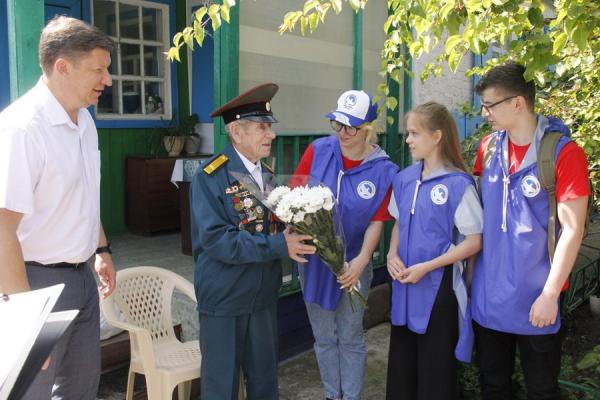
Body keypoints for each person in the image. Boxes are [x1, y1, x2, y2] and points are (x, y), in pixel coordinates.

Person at [0, 16, 116, 399]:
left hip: (82, 278)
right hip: (35, 283)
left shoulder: (85, 122)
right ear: (62, 66)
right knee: (32, 391)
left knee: (80, 387)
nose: (108, 80)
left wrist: (101, 250)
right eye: (98, 70)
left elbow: (82, 196)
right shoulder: (21, 128)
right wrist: (25, 318)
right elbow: (2, 228)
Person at [471, 62, 590, 399]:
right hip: (489, 296)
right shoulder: (488, 148)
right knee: (494, 387)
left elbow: (573, 229)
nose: (485, 113)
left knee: (541, 390)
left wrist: (550, 295)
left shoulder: (563, 154)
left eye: (490, 105)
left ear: (518, 103)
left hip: (537, 297)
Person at [190, 83, 316, 400]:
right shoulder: (210, 177)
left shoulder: (267, 174)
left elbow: (271, 225)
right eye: (262, 128)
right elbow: (218, 241)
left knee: (264, 384)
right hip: (225, 299)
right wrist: (278, 246)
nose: (271, 135)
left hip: (261, 299)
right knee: (221, 387)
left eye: (269, 127)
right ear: (236, 132)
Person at [293, 89, 399, 400]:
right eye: (338, 124)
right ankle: (331, 394)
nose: (343, 133)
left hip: (354, 263)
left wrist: (362, 261)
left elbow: (377, 221)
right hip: (314, 261)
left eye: (351, 127)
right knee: (324, 336)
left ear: (368, 128)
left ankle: (350, 396)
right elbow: (294, 197)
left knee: (350, 335)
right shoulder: (318, 150)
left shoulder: (384, 170)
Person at [385, 102, 483, 400]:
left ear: (437, 136)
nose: (408, 140)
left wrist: (428, 266)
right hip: (404, 286)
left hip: (439, 290)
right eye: (408, 133)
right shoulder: (404, 179)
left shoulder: (457, 184)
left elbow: (474, 240)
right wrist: (391, 254)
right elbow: (399, 222)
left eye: (414, 133)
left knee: (435, 373)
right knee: (402, 370)